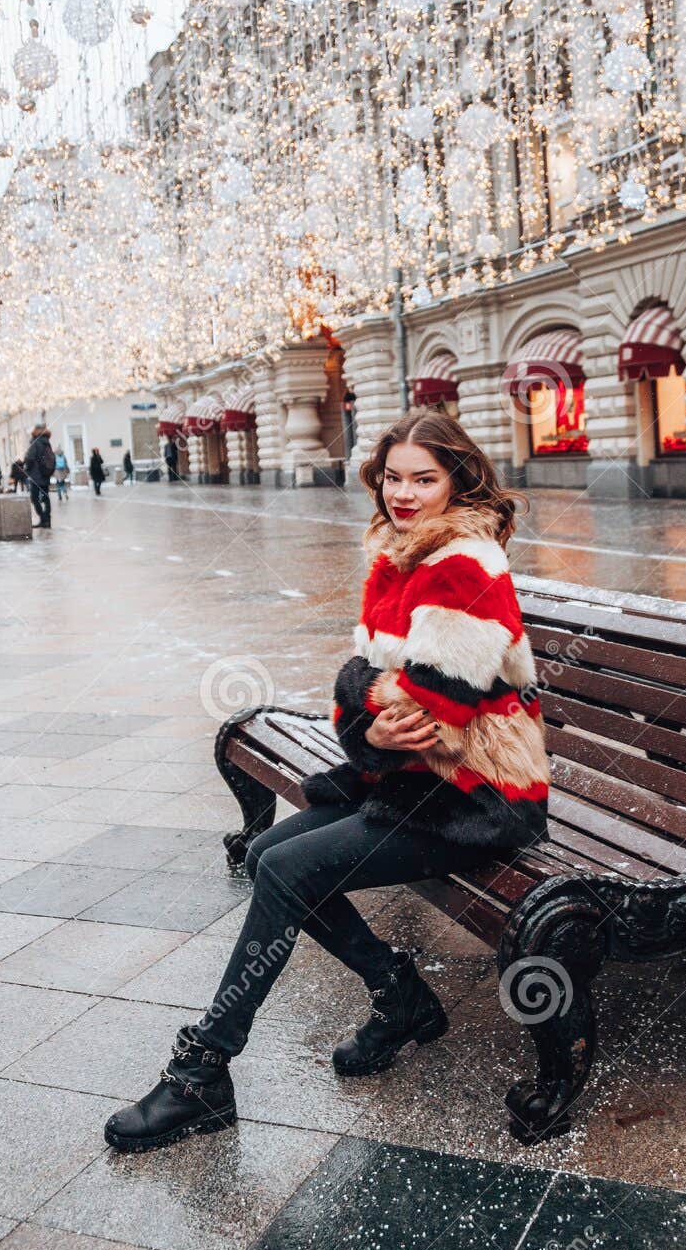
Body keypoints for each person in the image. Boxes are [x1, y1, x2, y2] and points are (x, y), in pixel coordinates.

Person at [104, 409, 551, 1153]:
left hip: (480, 797)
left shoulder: (464, 561)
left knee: (284, 866)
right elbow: (372, 707)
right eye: (393, 478)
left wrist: (361, 693)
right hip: (418, 782)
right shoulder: (395, 557)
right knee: (264, 856)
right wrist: (366, 709)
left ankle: (203, 1070)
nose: (403, 493)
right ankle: (397, 993)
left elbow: (434, 704)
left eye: (424, 479)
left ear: (456, 482)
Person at [24, 424, 55, 529]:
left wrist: (27, 468)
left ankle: (43, 518)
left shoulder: (35, 442)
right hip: (45, 473)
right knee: (45, 497)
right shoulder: (47, 442)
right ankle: (47, 519)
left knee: (34, 498)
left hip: (36, 475)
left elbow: (30, 458)